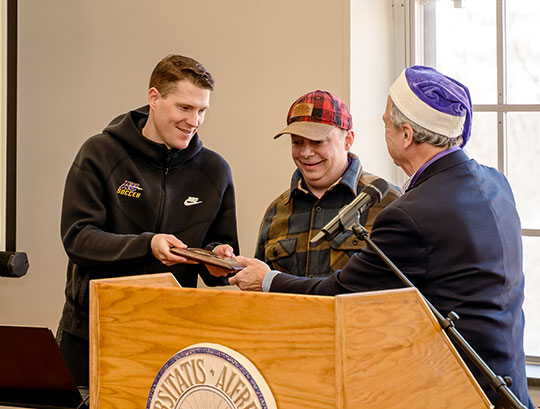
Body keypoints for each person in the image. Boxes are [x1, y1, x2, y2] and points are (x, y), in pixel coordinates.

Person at [224, 66, 534, 407]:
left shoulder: (408, 212)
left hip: (461, 391)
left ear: (405, 135)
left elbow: (341, 291)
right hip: (507, 384)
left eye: (385, 121)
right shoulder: (494, 182)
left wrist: (267, 280)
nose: (306, 152)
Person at [57, 54, 239, 386]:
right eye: (184, 108)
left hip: (171, 340)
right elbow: (78, 239)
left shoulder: (215, 171)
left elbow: (217, 262)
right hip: (89, 335)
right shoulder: (99, 153)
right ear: (154, 98)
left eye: (202, 111)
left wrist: (220, 261)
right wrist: (148, 244)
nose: (194, 121)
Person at [255, 90, 400, 278]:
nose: (306, 153)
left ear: (348, 140)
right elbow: (259, 291)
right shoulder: (275, 212)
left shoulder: (387, 201)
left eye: (317, 142)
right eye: (297, 142)